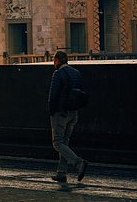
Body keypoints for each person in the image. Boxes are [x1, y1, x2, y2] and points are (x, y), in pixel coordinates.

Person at [49, 51, 88, 183]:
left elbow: (53, 94)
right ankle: (61, 173)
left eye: (54, 60)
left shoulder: (58, 73)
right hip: (73, 113)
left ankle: (78, 163)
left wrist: (51, 111)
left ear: (58, 61)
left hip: (60, 113)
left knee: (57, 143)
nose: (53, 62)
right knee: (65, 143)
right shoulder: (76, 73)